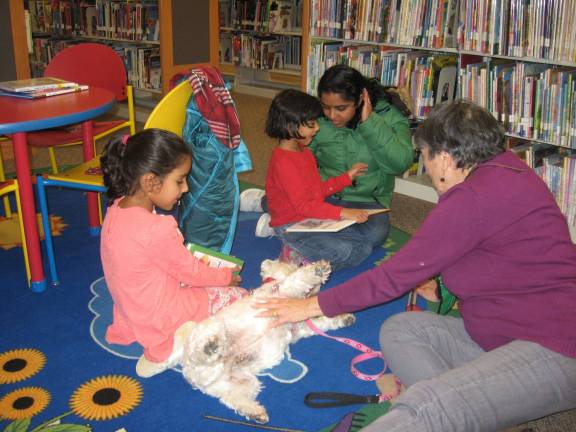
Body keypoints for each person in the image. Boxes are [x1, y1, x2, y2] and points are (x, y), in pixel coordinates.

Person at [254, 101, 576, 431]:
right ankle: (475, 407)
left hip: (554, 348)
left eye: (425, 156)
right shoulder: (510, 168)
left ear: (447, 160)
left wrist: (307, 307)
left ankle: (454, 406)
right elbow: (501, 253)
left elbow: (392, 278)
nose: (426, 167)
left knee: (430, 408)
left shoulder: (471, 199)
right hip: (497, 332)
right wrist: (443, 283)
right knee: (401, 330)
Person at [100, 129, 245, 379]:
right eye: (180, 180)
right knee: (238, 297)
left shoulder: (116, 210)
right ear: (150, 182)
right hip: (160, 313)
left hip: (131, 309)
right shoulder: (157, 229)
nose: (186, 188)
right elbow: (192, 272)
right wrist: (225, 278)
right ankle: (174, 342)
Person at [242, 64, 413, 251]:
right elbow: (291, 156)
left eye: (341, 108)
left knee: (372, 237)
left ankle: (282, 221)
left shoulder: (390, 117)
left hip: (366, 198)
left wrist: (370, 123)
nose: (332, 116)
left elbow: (400, 164)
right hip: (321, 191)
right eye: (326, 107)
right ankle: (266, 205)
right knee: (288, 202)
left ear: (360, 100)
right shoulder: (316, 118)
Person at [261, 88, 372, 270]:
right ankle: (296, 257)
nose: (318, 128)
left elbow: (316, 191)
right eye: (312, 124)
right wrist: (342, 212)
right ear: (291, 126)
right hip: (291, 225)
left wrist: (346, 178)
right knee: (343, 250)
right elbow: (304, 205)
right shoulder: (283, 162)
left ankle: (307, 262)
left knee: (364, 246)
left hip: (311, 218)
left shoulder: (305, 152)